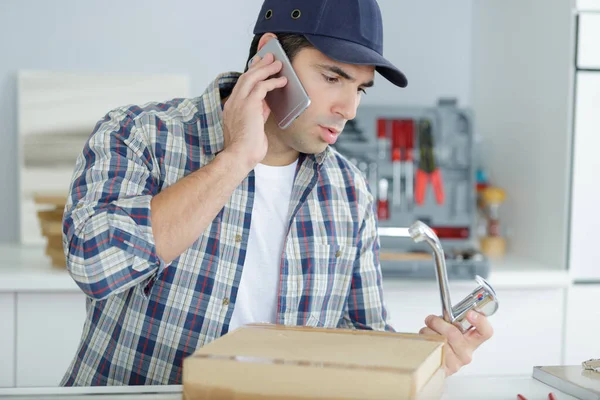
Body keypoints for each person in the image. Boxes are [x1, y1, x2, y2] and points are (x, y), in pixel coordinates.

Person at [60, 0, 493, 386]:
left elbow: (363, 340)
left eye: (359, 88)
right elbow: (94, 265)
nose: (350, 109)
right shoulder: (141, 134)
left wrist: (421, 357)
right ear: (270, 60)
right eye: (332, 77)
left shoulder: (347, 189)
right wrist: (234, 160)